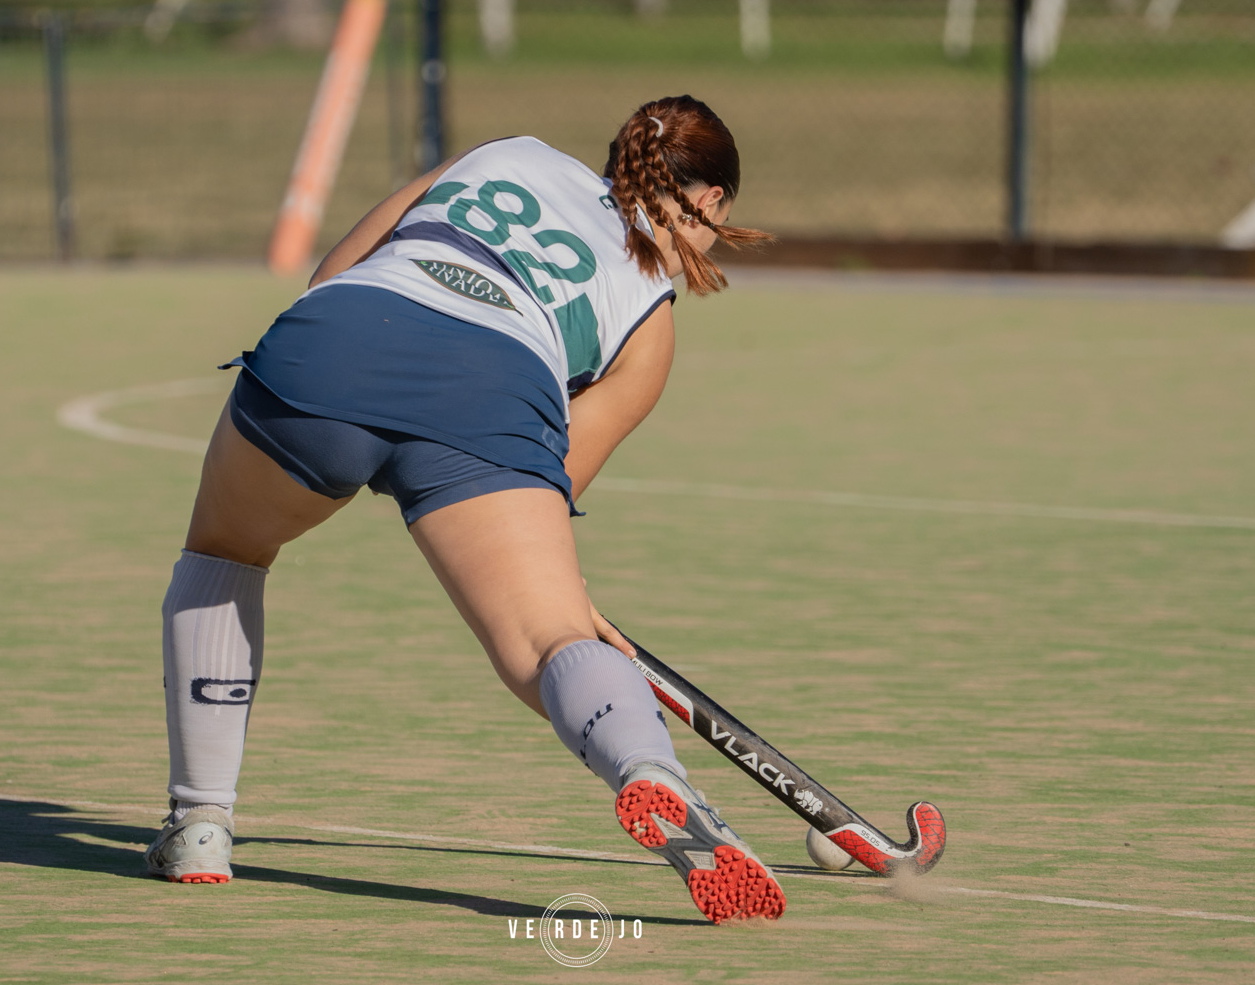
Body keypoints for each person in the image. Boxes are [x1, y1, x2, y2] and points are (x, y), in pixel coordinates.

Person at [145, 95, 784, 924]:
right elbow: (550, 480)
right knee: (549, 641)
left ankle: (200, 824)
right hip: (489, 394)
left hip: (333, 344)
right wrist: (570, 608)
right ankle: (649, 774)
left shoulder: (504, 155)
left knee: (225, 552)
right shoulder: (649, 322)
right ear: (711, 205)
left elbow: (331, 273)